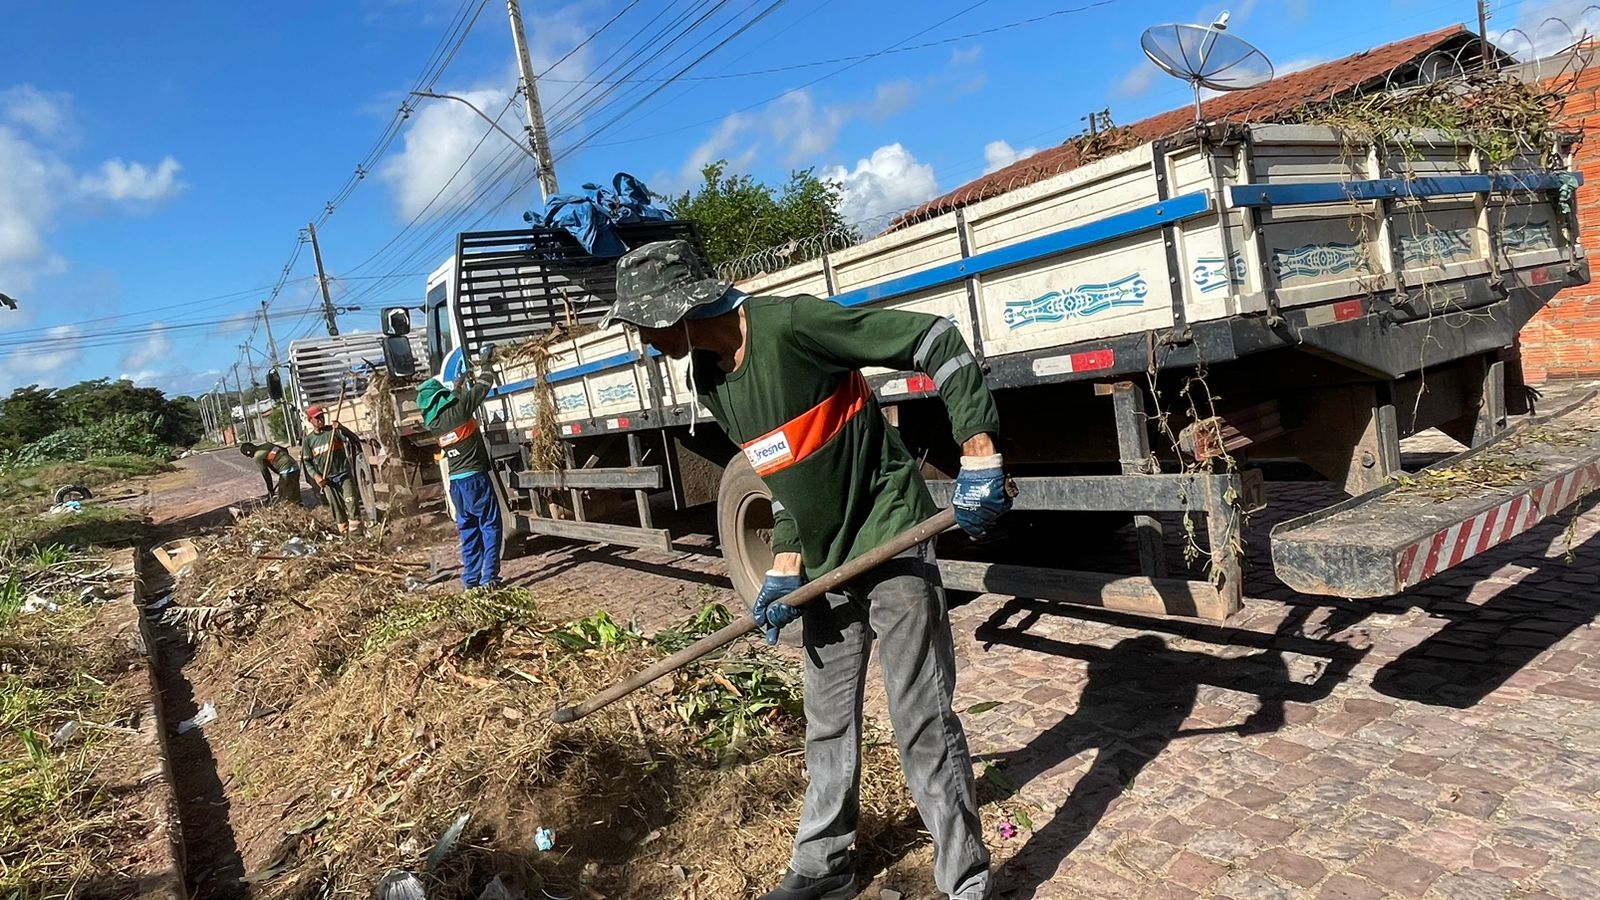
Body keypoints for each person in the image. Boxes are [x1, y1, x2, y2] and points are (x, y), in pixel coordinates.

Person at [603, 240, 1010, 900]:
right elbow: (782, 473)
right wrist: (785, 567)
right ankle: (825, 866)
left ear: (682, 308)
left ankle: (964, 878)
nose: (646, 341)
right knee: (828, 722)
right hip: (825, 566)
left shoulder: (792, 326)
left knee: (921, 719)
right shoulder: (709, 380)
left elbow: (936, 338)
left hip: (891, 536)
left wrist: (979, 448)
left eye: (647, 324)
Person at [417, 353, 504, 590]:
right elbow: (484, 384)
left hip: (456, 484)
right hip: (475, 479)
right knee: (489, 525)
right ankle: (489, 577)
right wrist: (486, 363)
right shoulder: (460, 410)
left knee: (468, 530)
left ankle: (471, 579)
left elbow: (453, 406)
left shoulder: (434, 424)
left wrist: (457, 386)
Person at [300, 405, 364, 533]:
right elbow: (307, 462)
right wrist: (316, 477)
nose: (321, 420)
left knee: (351, 502)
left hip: (343, 474)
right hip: (327, 480)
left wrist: (342, 428)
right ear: (310, 420)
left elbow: (354, 440)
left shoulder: (334, 431)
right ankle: (344, 533)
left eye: (322, 416)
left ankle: (357, 534)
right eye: (317, 418)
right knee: (337, 509)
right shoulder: (308, 441)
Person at [240, 440, 302, 507]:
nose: (248, 457)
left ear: (249, 452)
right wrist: (281, 471)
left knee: (283, 496)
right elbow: (285, 450)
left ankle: (293, 510)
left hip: (286, 471)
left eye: (247, 455)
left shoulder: (257, 456)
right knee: (295, 493)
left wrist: (270, 491)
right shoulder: (267, 445)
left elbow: (266, 474)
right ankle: (300, 507)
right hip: (295, 467)